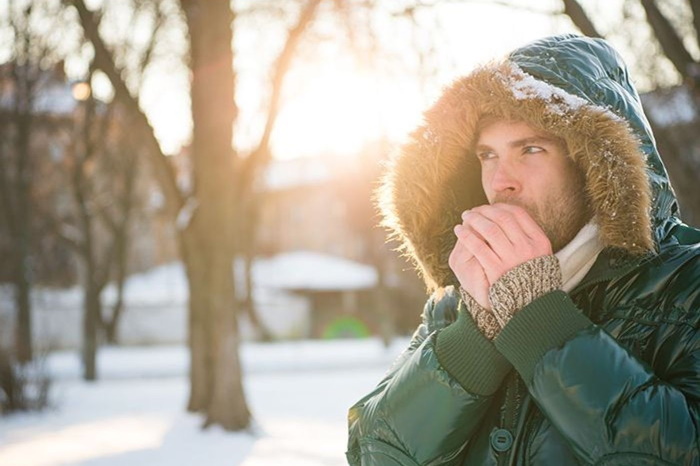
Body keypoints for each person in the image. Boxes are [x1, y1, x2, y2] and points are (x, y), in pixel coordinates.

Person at [346, 34, 700, 465]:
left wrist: (537, 316)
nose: (500, 182)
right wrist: (475, 334)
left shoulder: (688, 284)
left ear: (593, 166)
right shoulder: (460, 300)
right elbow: (372, 455)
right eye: (487, 155)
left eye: (530, 149)